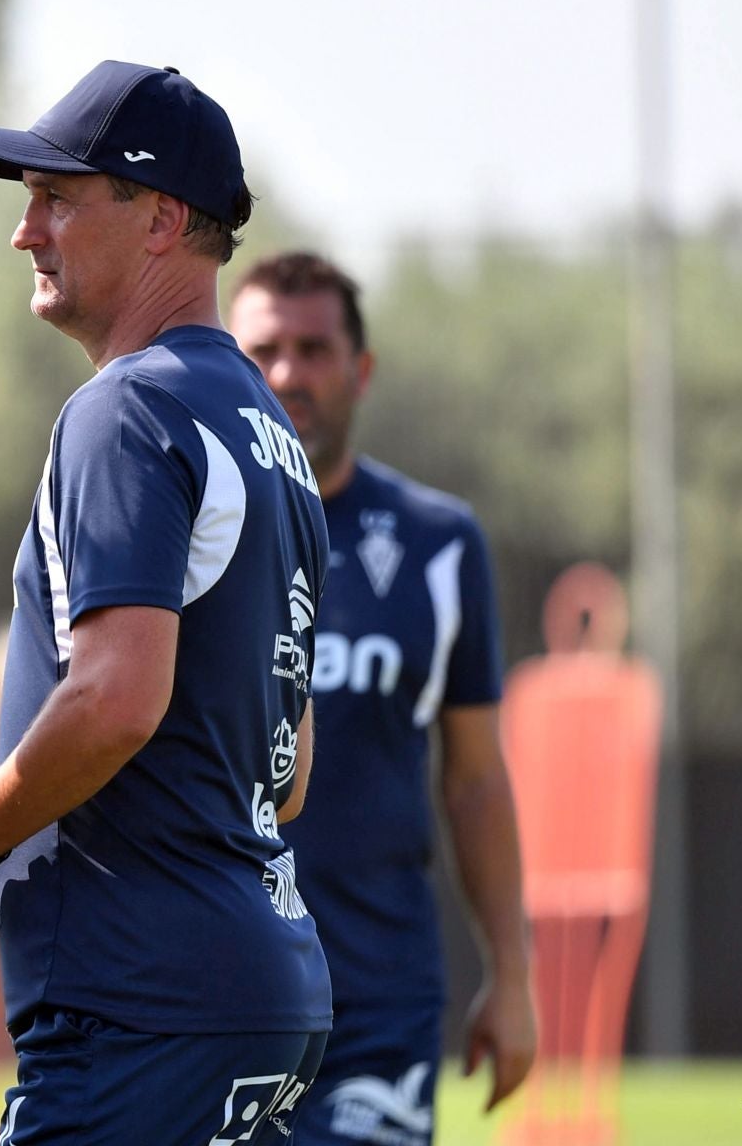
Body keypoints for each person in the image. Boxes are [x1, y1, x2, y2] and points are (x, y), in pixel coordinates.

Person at [0, 61, 332, 1145]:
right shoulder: (271, 435)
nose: (24, 231)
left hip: (142, 1007)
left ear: (163, 217)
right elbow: (289, 767)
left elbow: (119, 696)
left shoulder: (125, 408)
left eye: (57, 197)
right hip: (258, 991)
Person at [228, 252, 536, 1146]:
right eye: (264, 350)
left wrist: (511, 979)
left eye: (315, 349)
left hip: (379, 995)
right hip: (212, 989)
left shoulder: (439, 543)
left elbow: (476, 780)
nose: (289, 373)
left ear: (360, 370)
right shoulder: (186, 534)